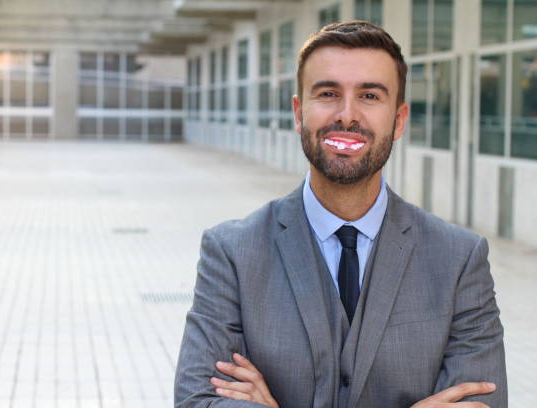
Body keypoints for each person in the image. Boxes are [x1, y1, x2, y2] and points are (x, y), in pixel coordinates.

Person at [174, 21, 507, 408]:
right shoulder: (231, 253)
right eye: (328, 93)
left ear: (398, 120)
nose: (347, 116)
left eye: (369, 95)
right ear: (299, 114)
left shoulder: (460, 260)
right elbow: (199, 402)